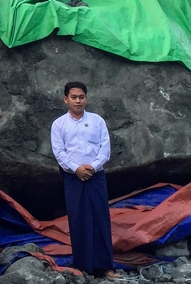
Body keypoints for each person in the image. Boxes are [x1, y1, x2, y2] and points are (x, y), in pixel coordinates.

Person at [51, 82, 119, 280]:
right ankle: (83, 267)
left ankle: (106, 267)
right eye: (74, 97)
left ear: (86, 99)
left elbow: (105, 149)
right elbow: (59, 152)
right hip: (72, 176)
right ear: (66, 99)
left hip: (96, 174)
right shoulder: (59, 124)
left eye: (81, 97)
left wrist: (92, 167)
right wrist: (76, 169)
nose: (78, 101)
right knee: (78, 219)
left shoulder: (97, 121)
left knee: (101, 217)